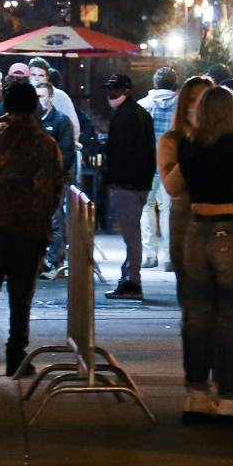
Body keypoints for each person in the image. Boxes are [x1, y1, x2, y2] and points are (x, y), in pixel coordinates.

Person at [171, 86, 233, 425]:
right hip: (231, 226)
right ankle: (229, 396)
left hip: (196, 229)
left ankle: (196, 392)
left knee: (197, 313)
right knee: (232, 315)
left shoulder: (189, 145)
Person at [0, 81, 66, 376]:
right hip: (30, 231)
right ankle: (15, 356)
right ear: (34, 106)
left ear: (5, 105)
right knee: (21, 297)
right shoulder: (47, 144)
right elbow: (57, 187)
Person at [100, 73, 155, 300]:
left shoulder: (125, 116)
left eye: (115, 89)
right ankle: (130, 277)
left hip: (127, 184)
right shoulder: (139, 113)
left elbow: (121, 153)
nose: (110, 94)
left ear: (126, 90)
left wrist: (114, 181)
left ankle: (133, 281)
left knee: (131, 235)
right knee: (132, 233)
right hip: (138, 183)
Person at [158, 75, 215, 291]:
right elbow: (172, 186)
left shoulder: (227, 141)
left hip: (222, 226)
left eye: (205, 99)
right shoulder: (172, 141)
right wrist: (194, 146)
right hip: (186, 221)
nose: (199, 105)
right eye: (193, 99)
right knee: (193, 298)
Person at [34, 80, 79, 275]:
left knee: (55, 219)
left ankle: (53, 261)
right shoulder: (33, 121)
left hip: (54, 180)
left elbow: (67, 153)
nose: (39, 101)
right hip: (33, 181)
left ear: (51, 98)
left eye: (42, 97)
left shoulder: (61, 121)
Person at [139, 67, 181, 270]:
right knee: (168, 209)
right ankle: (168, 257)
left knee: (146, 208)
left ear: (154, 84)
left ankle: (149, 255)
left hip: (147, 164)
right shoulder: (181, 106)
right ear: (174, 84)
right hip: (172, 165)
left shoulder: (143, 105)